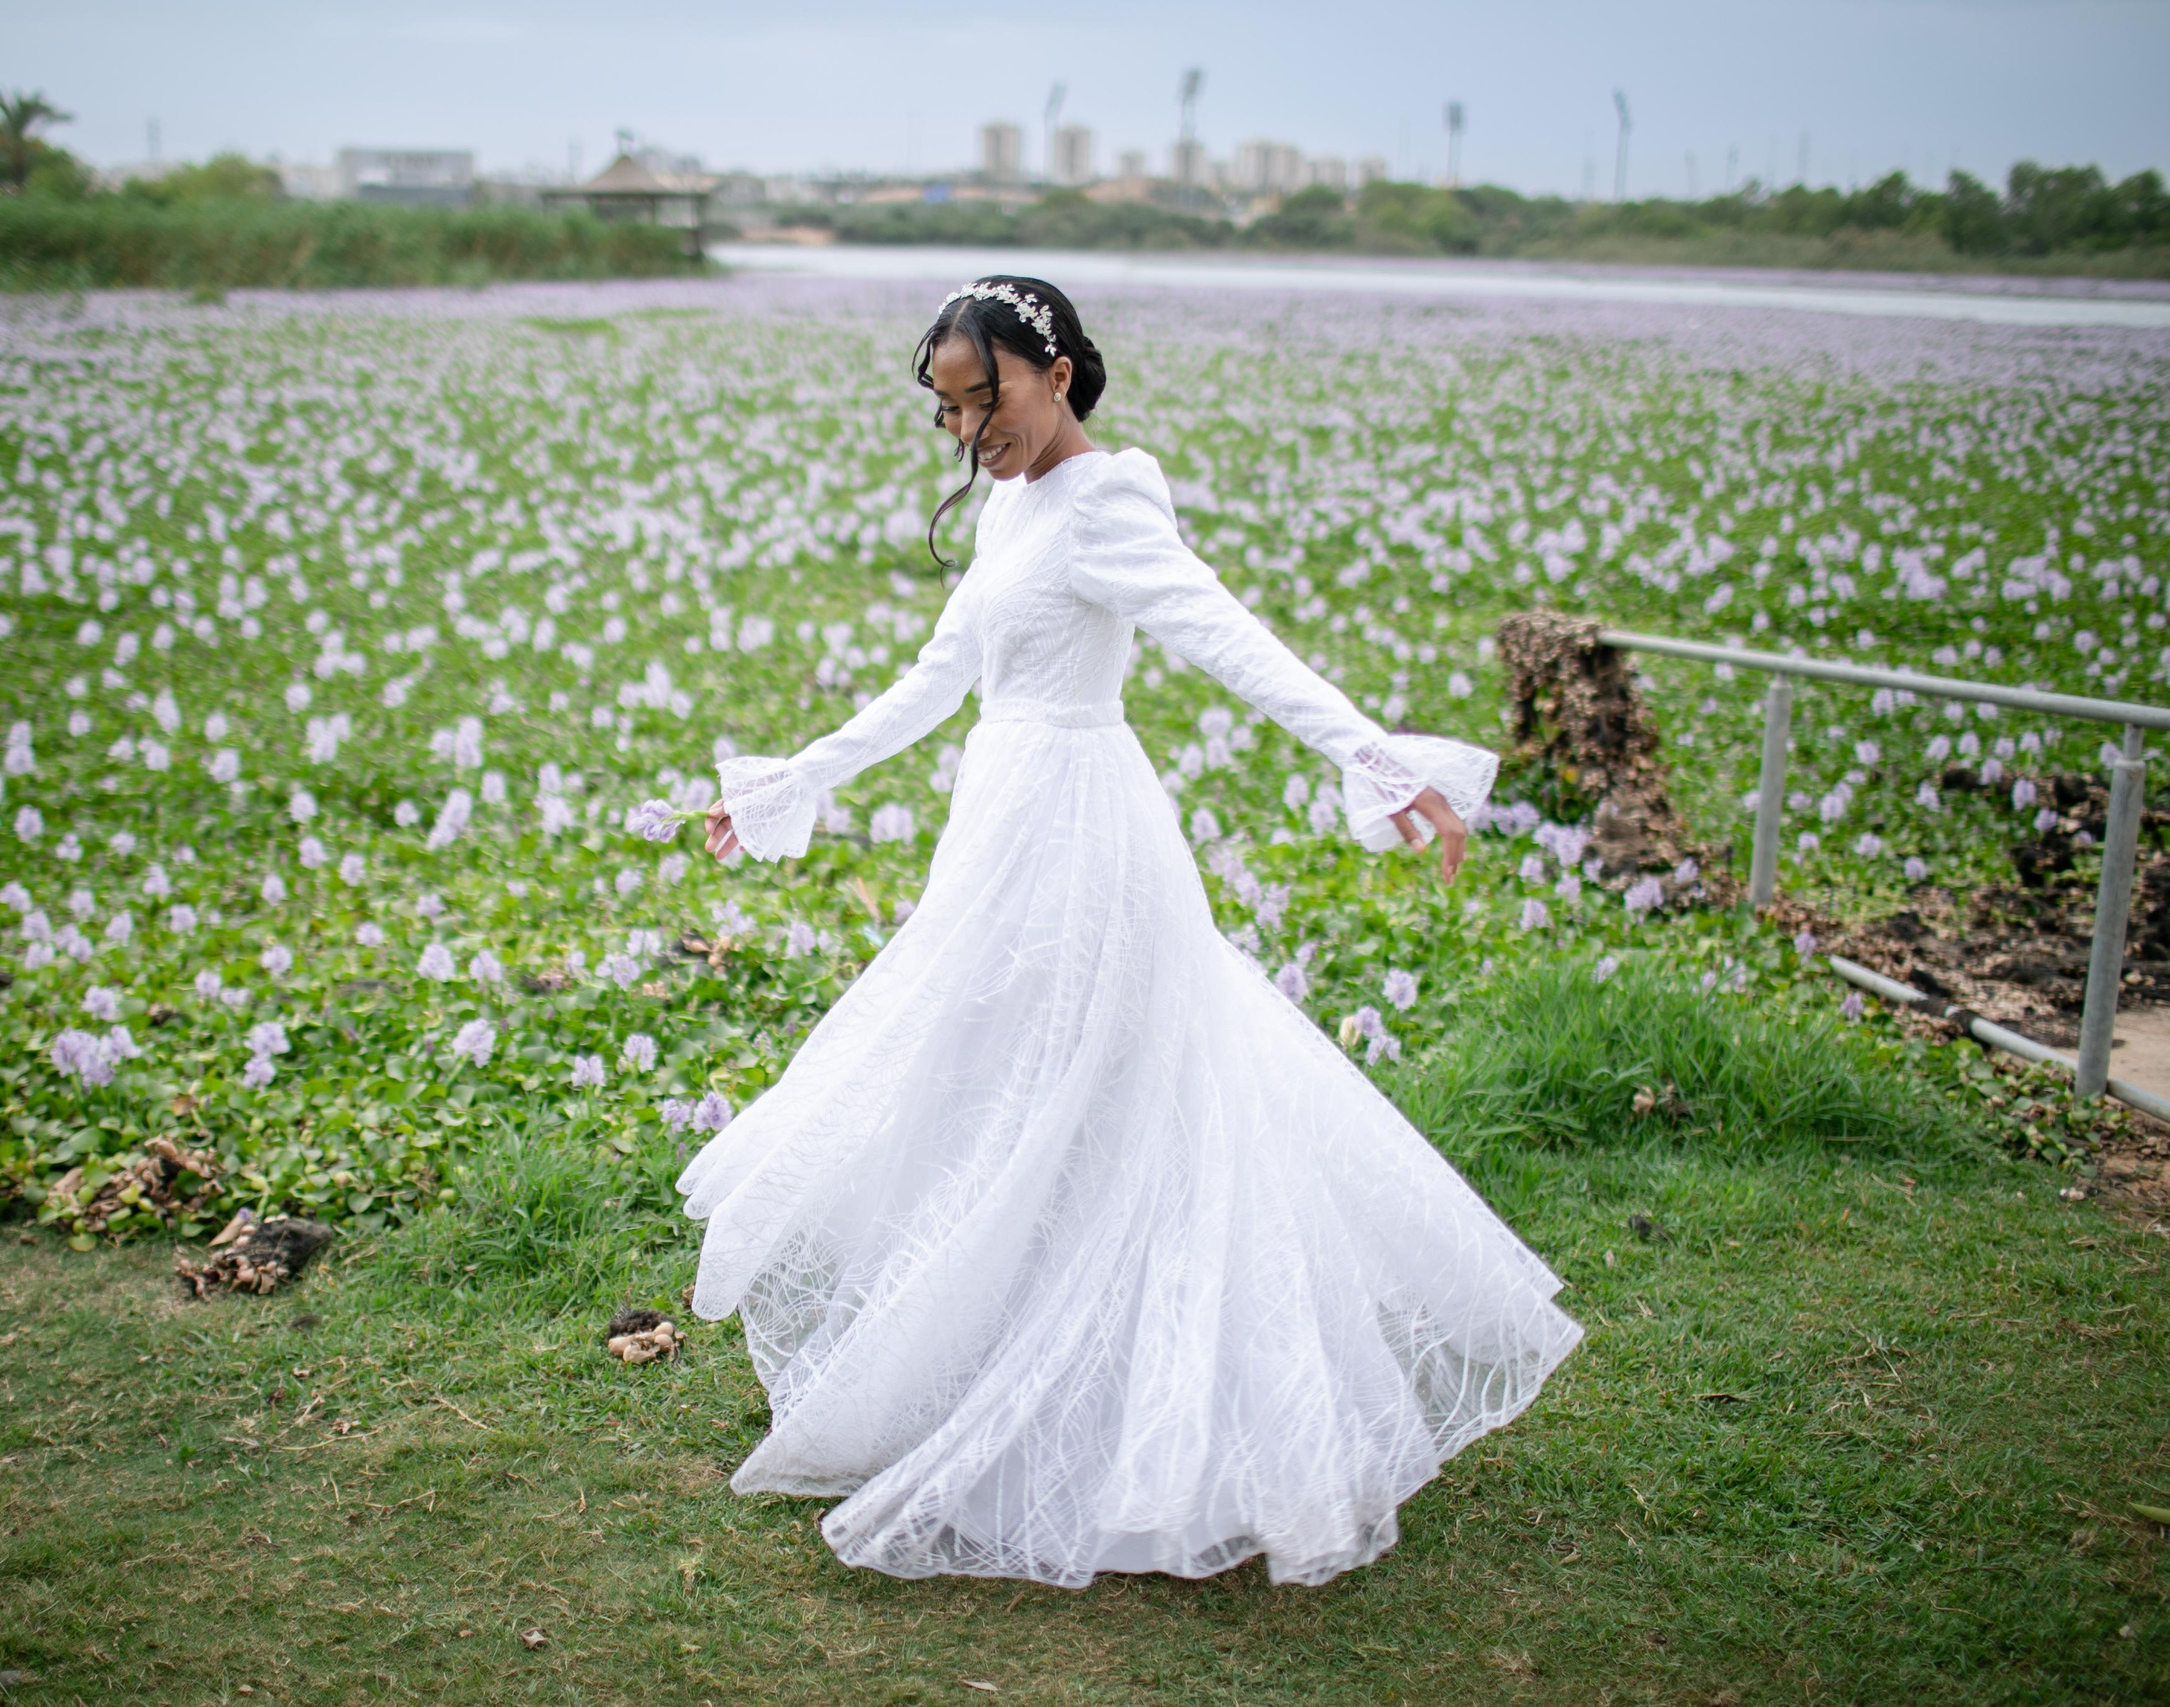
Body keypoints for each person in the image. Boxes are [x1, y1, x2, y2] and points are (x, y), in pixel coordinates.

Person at [679, 276, 1584, 1588]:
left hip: (1084, 832)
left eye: (980, 399)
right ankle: (998, 1353)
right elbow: (945, 675)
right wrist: (796, 778)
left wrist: (1379, 760)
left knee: (1109, 1092)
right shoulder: (1011, 502)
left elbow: (1226, 637)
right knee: (990, 1084)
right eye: (944, 411)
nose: (965, 430)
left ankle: (1133, 1403)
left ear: (1051, 371)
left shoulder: (1106, 497)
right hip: (1000, 818)